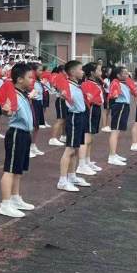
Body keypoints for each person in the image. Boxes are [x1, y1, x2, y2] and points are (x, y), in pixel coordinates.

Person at [0, 62, 36, 219]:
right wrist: (6, 111)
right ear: (20, 79)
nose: (32, 80)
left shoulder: (23, 94)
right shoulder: (12, 94)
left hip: (25, 134)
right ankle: (5, 204)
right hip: (16, 133)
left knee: (18, 170)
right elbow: (8, 110)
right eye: (29, 77)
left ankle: (15, 197)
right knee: (10, 169)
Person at [56, 60, 91, 192]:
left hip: (81, 116)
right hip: (74, 118)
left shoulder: (77, 85)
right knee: (70, 149)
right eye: (80, 69)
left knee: (76, 149)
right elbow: (66, 100)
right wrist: (64, 97)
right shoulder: (68, 86)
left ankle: (72, 176)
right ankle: (62, 180)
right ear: (72, 72)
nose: (83, 72)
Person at [78, 63, 105, 175]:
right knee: (86, 137)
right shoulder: (87, 84)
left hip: (96, 109)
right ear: (92, 73)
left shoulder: (96, 83)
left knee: (91, 137)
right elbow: (88, 98)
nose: (101, 72)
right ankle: (81, 165)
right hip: (91, 109)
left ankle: (87, 161)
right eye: (99, 70)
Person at [106, 66, 131, 165]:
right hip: (120, 106)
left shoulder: (122, 83)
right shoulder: (115, 83)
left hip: (124, 106)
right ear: (118, 75)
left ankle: (114, 153)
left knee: (117, 131)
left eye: (127, 72)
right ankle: (111, 156)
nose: (127, 74)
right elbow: (113, 95)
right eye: (124, 73)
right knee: (115, 131)